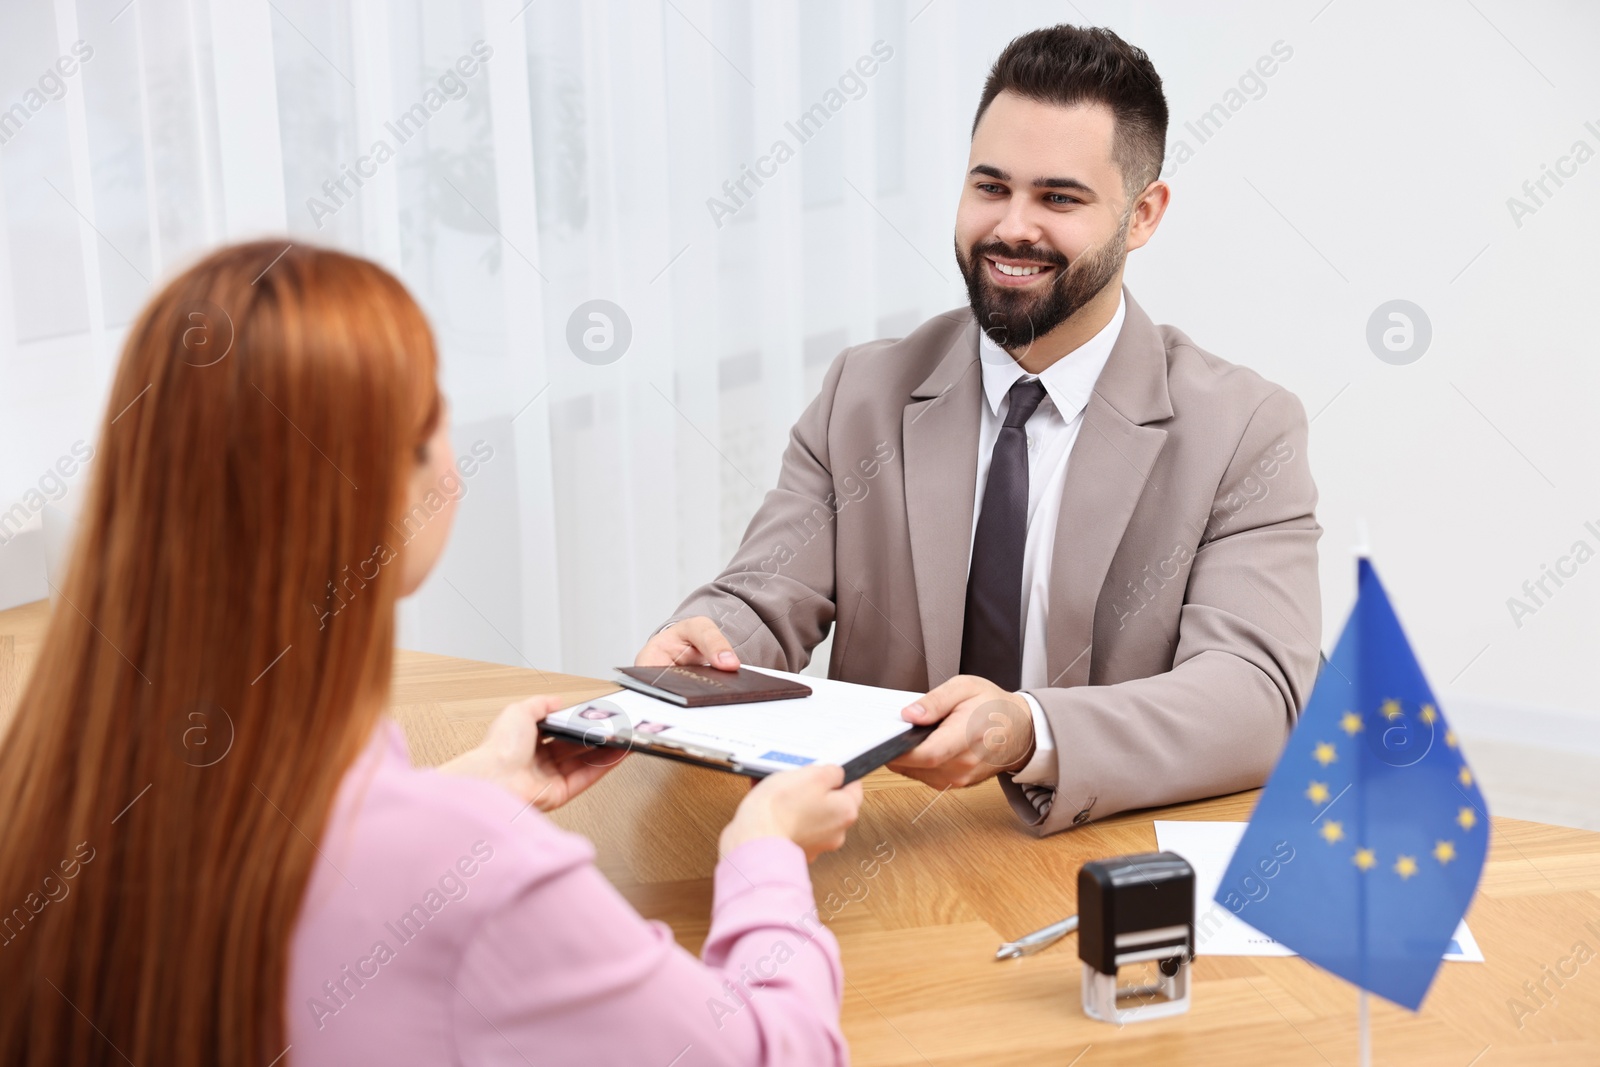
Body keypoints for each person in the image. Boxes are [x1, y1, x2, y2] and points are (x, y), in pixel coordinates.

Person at [0, 242, 860, 1066]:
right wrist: (765, 852)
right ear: (389, 489)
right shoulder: (477, 880)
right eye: (435, 409)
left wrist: (470, 784)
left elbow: (300, 854)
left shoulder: (51, 778)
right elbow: (769, 1052)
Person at [636, 24, 1323, 835]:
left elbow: (1257, 696)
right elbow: (765, 593)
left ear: (1143, 215)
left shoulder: (1245, 428)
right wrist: (711, 645)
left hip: (1101, 848)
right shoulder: (864, 390)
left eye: (1058, 198)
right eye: (990, 187)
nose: (1012, 228)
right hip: (881, 840)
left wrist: (1031, 731)